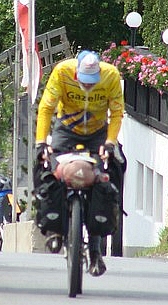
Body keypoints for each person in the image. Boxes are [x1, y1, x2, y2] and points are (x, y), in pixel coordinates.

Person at [34, 50, 125, 276]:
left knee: (116, 167)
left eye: (91, 83)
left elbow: (116, 113)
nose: (87, 87)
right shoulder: (62, 72)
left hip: (97, 133)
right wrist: (40, 143)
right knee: (43, 165)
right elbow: (46, 107)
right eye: (83, 83)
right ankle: (52, 225)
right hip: (66, 130)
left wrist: (110, 143)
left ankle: (97, 248)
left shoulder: (111, 75)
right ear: (76, 73)